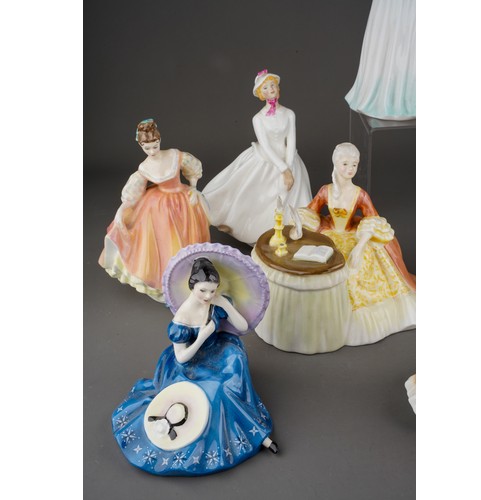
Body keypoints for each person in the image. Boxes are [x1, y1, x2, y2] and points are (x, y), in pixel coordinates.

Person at [112, 251, 277, 476]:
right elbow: (182, 357)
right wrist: (201, 337)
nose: (208, 296)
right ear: (192, 286)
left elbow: (242, 326)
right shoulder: (182, 318)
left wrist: (225, 304)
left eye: (212, 290)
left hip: (216, 349)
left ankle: (251, 424)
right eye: (203, 290)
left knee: (236, 358)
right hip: (189, 363)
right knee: (217, 390)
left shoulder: (215, 300)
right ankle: (251, 434)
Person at [300, 142, 416, 345]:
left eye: (354, 165)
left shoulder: (360, 194)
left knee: (357, 266)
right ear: (336, 163)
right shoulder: (326, 191)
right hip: (330, 233)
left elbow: (372, 219)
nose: (350, 169)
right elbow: (311, 212)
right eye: (345, 164)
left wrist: (360, 246)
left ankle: (358, 319)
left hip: (354, 235)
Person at [99, 119, 210, 301]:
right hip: (158, 206)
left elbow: (192, 168)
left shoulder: (174, 155)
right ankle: (168, 279)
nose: (152, 151)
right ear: (141, 146)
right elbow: (133, 193)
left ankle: (189, 274)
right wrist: (121, 211)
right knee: (164, 240)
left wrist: (193, 188)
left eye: (155, 146)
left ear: (160, 140)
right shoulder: (144, 167)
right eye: (147, 148)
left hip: (182, 200)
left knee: (186, 236)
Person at [202, 70, 312, 245]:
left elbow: (291, 140)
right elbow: (266, 145)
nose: (271, 89)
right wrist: (282, 168)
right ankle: (256, 232)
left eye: (272, 85)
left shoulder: (289, 114)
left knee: (291, 198)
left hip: (288, 159)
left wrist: (289, 166)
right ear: (261, 94)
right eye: (266, 88)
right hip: (266, 159)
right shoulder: (258, 119)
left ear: (278, 88)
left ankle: (290, 231)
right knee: (253, 196)